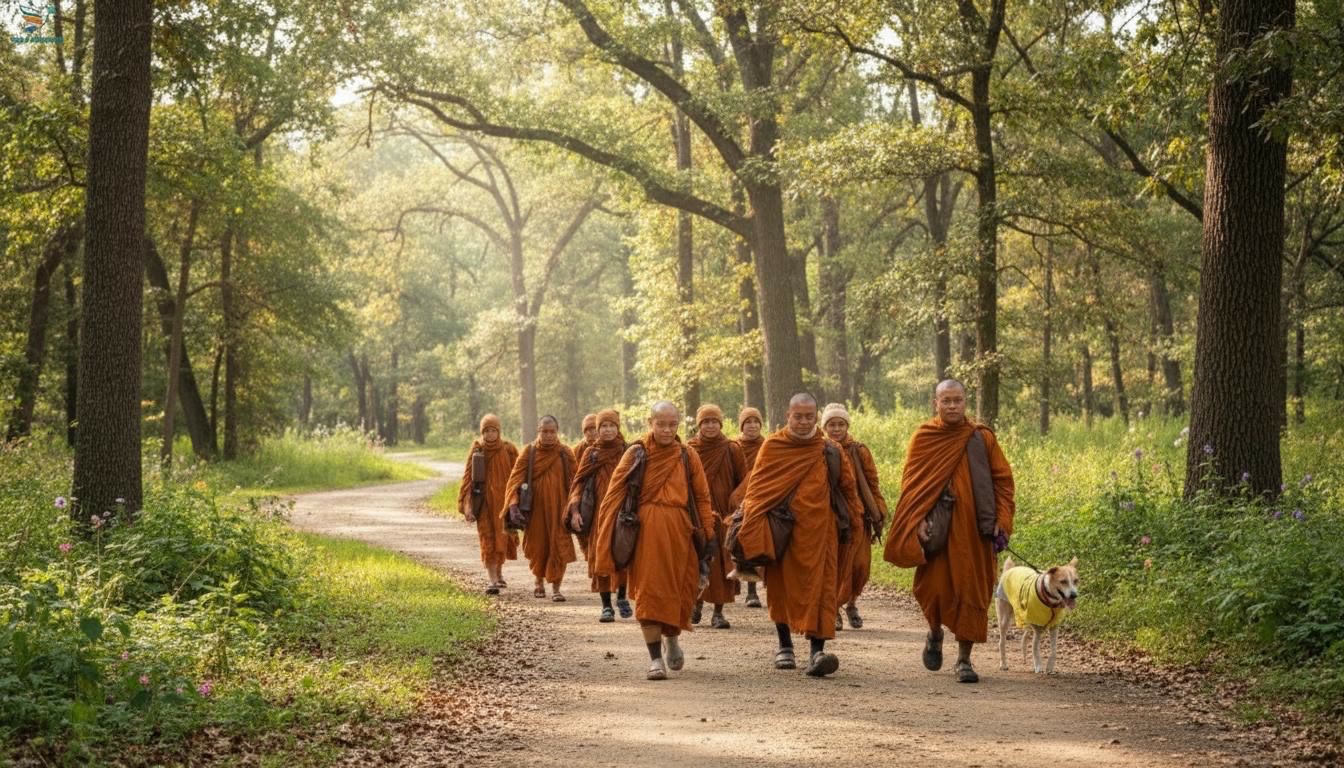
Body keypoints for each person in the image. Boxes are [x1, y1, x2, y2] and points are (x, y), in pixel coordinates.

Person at [884, 379, 1015, 683]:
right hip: (938, 530)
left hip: (975, 531)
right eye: (947, 401)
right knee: (933, 590)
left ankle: (964, 660)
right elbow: (912, 486)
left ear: (965, 402)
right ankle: (934, 632)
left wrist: (1002, 518)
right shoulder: (924, 437)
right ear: (936, 404)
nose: (953, 406)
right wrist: (916, 519)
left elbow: (1003, 482)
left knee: (973, 592)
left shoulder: (981, 437)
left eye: (958, 400)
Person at [736, 393, 864, 677]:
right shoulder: (773, 446)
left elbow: (848, 489)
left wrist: (854, 524)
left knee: (822, 590)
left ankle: (817, 651)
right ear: (788, 416)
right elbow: (756, 492)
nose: (804, 422)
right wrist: (753, 530)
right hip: (783, 532)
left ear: (816, 417)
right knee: (780, 588)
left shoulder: (830, 450)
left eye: (809, 416)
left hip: (821, 534)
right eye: (798, 416)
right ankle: (784, 645)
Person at [591, 401, 716, 680]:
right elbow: (613, 496)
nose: (667, 430)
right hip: (645, 535)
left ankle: (671, 637)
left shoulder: (687, 455)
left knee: (680, 591)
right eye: (661, 424)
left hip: (680, 533)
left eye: (672, 424)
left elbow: (702, 496)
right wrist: (607, 539)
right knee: (649, 594)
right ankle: (655, 659)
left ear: (678, 425)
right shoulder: (637, 452)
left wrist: (707, 532)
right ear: (650, 423)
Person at [821, 403, 889, 631]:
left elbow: (872, 482)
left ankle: (851, 603)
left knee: (860, 567)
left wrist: (878, 510)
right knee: (835, 566)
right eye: (831, 425)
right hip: (831, 516)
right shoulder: (819, 450)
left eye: (840, 424)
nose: (836, 429)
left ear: (847, 426)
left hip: (859, 516)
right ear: (825, 427)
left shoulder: (859, 450)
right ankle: (834, 610)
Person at [566, 408, 631, 622]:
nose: (608, 430)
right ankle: (606, 606)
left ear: (617, 428)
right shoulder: (591, 453)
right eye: (603, 426)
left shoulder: (628, 450)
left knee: (623, 553)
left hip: (622, 514)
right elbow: (578, 482)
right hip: (598, 516)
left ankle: (622, 596)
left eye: (612, 426)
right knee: (600, 557)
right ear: (598, 429)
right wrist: (574, 510)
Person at [504, 415, 578, 601]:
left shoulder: (564, 452)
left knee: (559, 545)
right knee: (538, 547)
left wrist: (575, 506)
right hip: (534, 510)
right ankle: (538, 581)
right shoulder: (529, 452)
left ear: (557, 432)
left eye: (552, 432)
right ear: (538, 431)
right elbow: (514, 480)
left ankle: (556, 588)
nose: (548, 435)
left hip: (559, 509)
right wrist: (513, 504)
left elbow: (576, 481)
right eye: (545, 432)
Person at [687, 404, 745, 629]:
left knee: (721, 563)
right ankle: (696, 604)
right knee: (696, 559)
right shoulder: (689, 449)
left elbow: (745, 480)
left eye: (714, 422)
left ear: (720, 424)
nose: (710, 426)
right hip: (696, 515)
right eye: (705, 422)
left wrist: (735, 504)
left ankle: (718, 613)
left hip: (723, 516)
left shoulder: (731, 449)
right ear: (698, 425)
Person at [457, 414, 520, 594]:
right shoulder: (477, 451)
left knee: (503, 539)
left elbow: (518, 475)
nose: (490, 434)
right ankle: (492, 580)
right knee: (487, 539)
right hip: (484, 503)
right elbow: (468, 479)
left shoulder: (508, 450)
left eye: (493, 430)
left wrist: (517, 501)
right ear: (482, 432)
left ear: (499, 431)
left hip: (504, 504)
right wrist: (467, 505)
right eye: (486, 431)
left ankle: (499, 572)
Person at [731, 406, 766, 608]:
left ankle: (752, 591)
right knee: (737, 540)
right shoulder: (734, 446)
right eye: (748, 422)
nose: (752, 426)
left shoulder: (768, 445)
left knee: (755, 541)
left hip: (761, 498)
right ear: (741, 425)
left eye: (756, 422)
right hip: (737, 498)